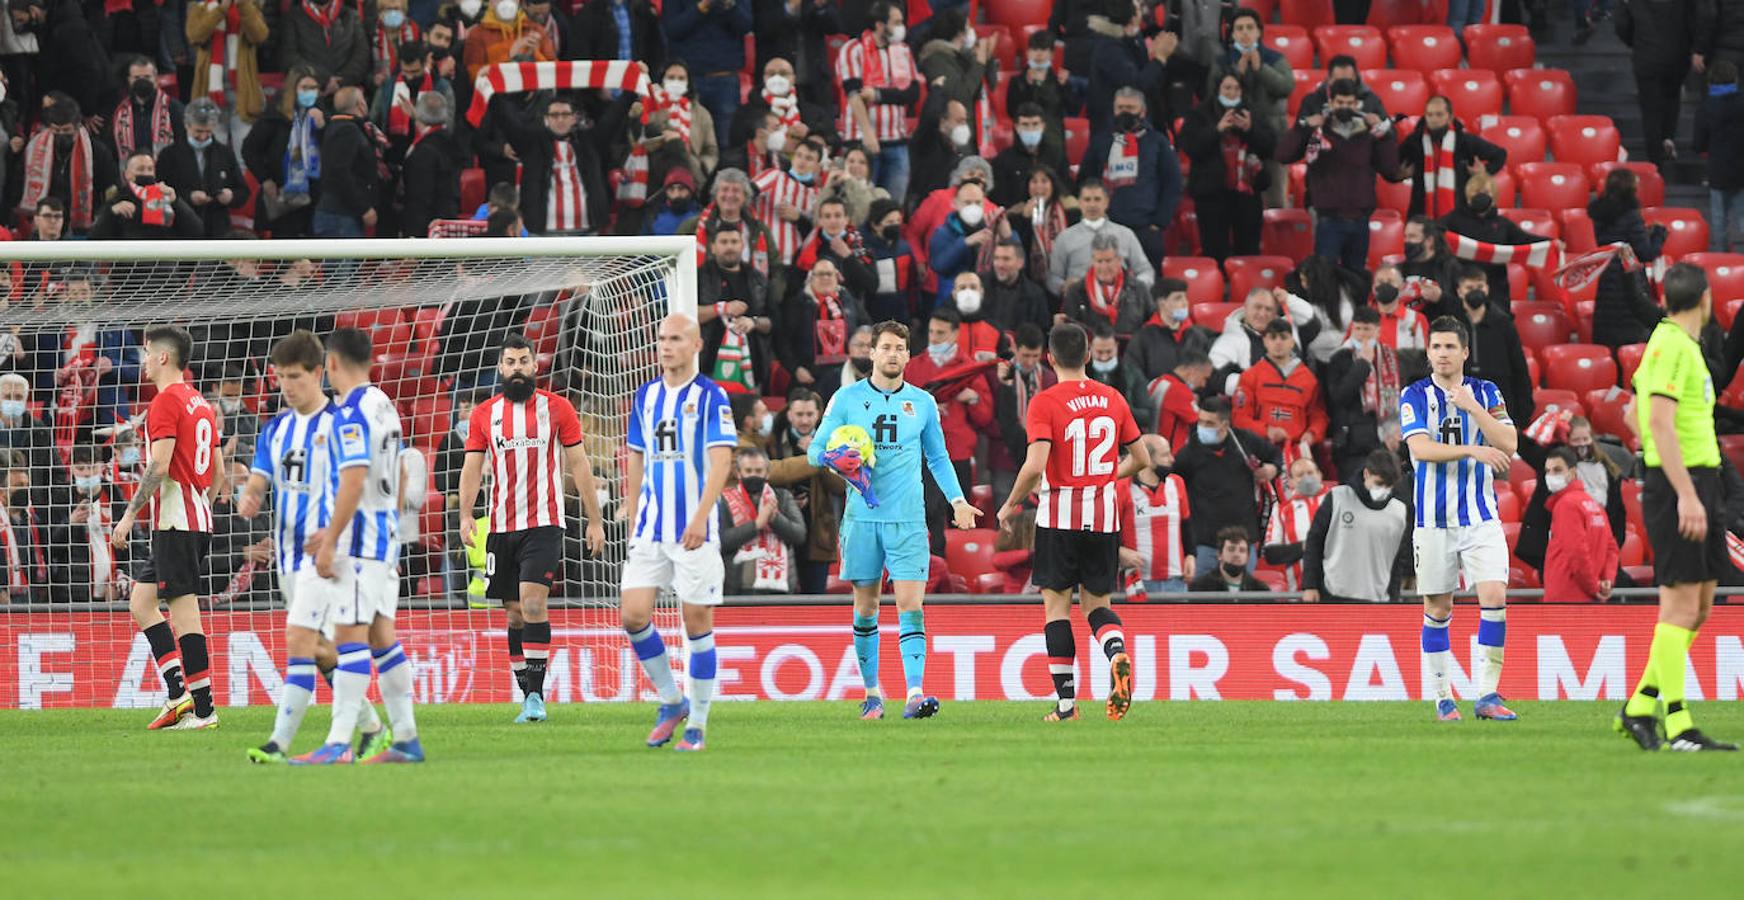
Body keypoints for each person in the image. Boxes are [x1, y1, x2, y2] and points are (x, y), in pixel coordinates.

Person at [809, 320, 981, 721]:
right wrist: (840, 460)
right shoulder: (846, 399)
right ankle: (872, 695)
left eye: (899, 348)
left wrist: (958, 501)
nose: (892, 354)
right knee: (866, 606)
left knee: (911, 604)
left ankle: (915, 693)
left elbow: (938, 457)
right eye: (885, 347)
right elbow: (816, 451)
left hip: (907, 521)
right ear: (871, 353)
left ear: (908, 355)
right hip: (862, 519)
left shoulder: (921, 403)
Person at [237, 331, 394, 764]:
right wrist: (248, 496)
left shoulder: (341, 422)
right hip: (287, 555)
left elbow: (354, 481)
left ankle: (283, 743)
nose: (287, 386)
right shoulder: (276, 428)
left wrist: (331, 540)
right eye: (281, 377)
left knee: (302, 639)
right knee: (317, 646)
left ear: (318, 372)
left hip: (328, 556)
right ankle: (371, 728)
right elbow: (259, 477)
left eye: (295, 376)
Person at [272, 328, 419, 765]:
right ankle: (407, 738)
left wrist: (332, 538)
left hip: (359, 543)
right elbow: (403, 474)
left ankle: (338, 743)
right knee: (380, 638)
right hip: (383, 536)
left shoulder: (350, 411)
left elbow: (354, 478)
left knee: (350, 639)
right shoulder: (384, 404)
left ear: (330, 364)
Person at [997, 321, 1148, 721]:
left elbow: (1034, 467)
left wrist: (1010, 504)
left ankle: (1066, 706)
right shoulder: (1112, 398)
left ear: (1049, 359)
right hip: (1103, 518)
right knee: (1097, 605)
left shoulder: (1044, 402)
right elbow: (1142, 459)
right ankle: (1116, 654)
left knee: (1056, 609)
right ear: (1086, 356)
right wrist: (1104, 476)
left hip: (1060, 515)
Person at [1617, 263, 1738, 751]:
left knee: (1701, 606)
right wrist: (1683, 491)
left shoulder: (1678, 346)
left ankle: (1640, 707)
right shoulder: (1670, 345)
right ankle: (1679, 722)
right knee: (1680, 606)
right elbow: (1660, 424)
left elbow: (1633, 413)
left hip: (1698, 479)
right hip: (1681, 484)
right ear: (1705, 300)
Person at [458, 333, 607, 724]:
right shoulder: (483, 415)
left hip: (544, 523)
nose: (518, 368)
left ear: (535, 366)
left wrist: (595, 519)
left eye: (524, 361)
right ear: (501, 368)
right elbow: (472, 468)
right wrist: (464, 515)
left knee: (533, 603)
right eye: (511, 362)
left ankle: (536, 697)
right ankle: (528, 697)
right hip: (501, 526)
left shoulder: (558, 409)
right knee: (513, 614)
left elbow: (579, 465)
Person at [615, 313, 733, 752]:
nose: (666, 346)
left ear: (696, 345)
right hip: (650, 527)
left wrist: (701, 517)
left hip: (694, 529)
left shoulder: (710, 397)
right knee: (632, 615)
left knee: (697, 622)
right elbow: (635, 458)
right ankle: (672, 700)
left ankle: (698, 725)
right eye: (662, 338)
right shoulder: (645, 397)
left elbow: (721, 462)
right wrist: (631, 518)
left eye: (676, 339)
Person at [1400, 316, 1518, 723]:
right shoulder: (1414, 394)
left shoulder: (1486, 392)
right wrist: (1473, 449)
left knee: (1495, 598)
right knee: (1437, 606)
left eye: (1451, 347)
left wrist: (1472, 409)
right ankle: (1442, 699)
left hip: (1480, 516)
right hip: (1433, 520)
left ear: (1465, 352)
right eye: (1437, 347)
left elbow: (1509, 443)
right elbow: (1420, 449)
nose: (1443, 354)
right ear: (1428, 352)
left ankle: (1487, 693)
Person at [111, 326, 223, 731]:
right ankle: (178, 696)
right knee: (141, 604)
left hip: (176, 523)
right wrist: (202, 510)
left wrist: (126, 517)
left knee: (185, 613)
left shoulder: (165, 401)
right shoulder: (200, 403)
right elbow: (220, 471)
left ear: (162, 357)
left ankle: (205, 711)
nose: (142, 360)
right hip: (189, 520)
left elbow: (159, 466)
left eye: (145, 353)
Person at [1277, 78, 1400, 272]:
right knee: (1325, 279)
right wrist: (1303, 127)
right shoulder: (1317, 131)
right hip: (1328, 220)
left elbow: (1390, 168)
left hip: (1360, 219)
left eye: (1350, 103)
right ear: (1331, 103)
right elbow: (1283, 155)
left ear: (1357, 103)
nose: (1345, 107)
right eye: (1340, 103)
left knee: (1356, 277)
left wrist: (1384, 134)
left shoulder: (1369, 133)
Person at [1171, 395, 1282, 576]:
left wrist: (1272, 468)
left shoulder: (1245, 440)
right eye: (1200, 421)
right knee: (1201, 599)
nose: (1202, 428)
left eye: (1209, 423)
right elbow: (1173, 482)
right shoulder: (1190, 452)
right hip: (1204, 542)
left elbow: (1275, 455)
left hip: (1241, 541)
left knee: (1242, 599)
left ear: (1224, 425)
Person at [499, 91, 633, 235]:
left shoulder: (590, 141)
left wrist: (631, 89)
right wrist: (490, 91)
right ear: (546, 119)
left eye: (565, 114)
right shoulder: (532, 144)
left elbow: (614, 117)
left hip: (587, 233)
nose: (560, 119)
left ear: (574, 118)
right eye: (555, 115)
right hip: (543, 235)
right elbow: (507, 120)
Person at [1078, 87, 1183, 269]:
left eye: (1130, 107)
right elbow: (1086, 179)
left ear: (1143, 112)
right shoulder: (1101, 140)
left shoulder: (1158, 142)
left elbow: (1173, 183)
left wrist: (1158, 223)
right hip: (1107, 227)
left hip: (1146, 228)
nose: (1124, 112)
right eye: (1120, 108)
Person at [1177, 73, 1273, 262]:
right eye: (1227, 88)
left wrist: (1250, 130)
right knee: (1214, 249)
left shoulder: (1253, 112)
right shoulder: (1199, 114)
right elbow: (1191, 148)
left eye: (1236, 88)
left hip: (1247, 193)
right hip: (1211, 194)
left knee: (1248, 249)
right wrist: (1217, 129)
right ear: (1217, 90)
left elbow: (1271, 147)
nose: (1231, 93)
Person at [1204, 7, 1292, 208]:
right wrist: (1236, 74)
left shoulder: (1275, 59)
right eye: (1240, 28)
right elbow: (1211, 95)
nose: (1245, 32)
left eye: (1250, 27)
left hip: (1271, 140)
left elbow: (1285, 87)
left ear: (1259, 32)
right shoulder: (1222, 62)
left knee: (1275, 201)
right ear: (1232, 33)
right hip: (1234, 139)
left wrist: (1260, 69)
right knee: (1238, 203)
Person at [1301, 449, 1413, 603]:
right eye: (1379, 483)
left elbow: (1398, 559)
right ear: (1366, 474)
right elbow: (1314, 542)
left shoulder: (1399, 511)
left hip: (1377, 598)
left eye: (1389, 485)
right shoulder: (1338, 498)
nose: (1384, 490)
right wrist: (1310, 585)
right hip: (1334, 593)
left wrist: (1393, 597)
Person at [835, 2, 920, 203]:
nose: (902, 27)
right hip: (860, 140)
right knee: (860, 206)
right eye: (897, 22)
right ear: (880, 25)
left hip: (896, 140)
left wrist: (878, 95)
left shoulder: (903, 51)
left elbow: (913, 93)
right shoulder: (852, 49)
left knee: (892, 207)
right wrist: (868, 133)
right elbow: (853, 93)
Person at [764, 387, 840, 594]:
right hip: (780, 526)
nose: (805, 421)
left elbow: (841, 486)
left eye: (809, 414)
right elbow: (764, 476)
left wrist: (819, 456)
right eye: (799, 415)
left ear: (819, 415)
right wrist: (787, 501)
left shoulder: (835, 440)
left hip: (818, 531)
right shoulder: (772, 439)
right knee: (779, 598)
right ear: (789, 414)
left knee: (815, 598)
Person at [1615, 0, 1704, 167]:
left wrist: (1634, 41)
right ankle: (1667, 138)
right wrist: (1693, 46)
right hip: (1677, 54)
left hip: (1646, 55)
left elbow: (1621, 23)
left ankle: (1654, 158)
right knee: (1672, 95)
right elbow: (1695, 19)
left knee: (1650, 110)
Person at [240, 67, 325, 238]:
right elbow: (249, 149)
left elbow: (331, 152)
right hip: (282, 195)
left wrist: (323, 127)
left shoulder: (322, 115)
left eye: (314, 88)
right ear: (293, 88)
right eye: (305, 88)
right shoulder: (274, 117)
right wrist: (265, 179)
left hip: (314, 196)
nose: (310, 93)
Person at [1589, 169, 1669, 349]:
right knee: (1631, 335)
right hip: (1628, 276)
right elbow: (1645, 253)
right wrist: (1658, 235)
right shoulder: (1632, 216)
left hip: (1608, 275)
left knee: (1610, 339)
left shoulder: (1600, 215)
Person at [1233, 320, 1329, 466]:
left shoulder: (1308, 379)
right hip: (1260, 449)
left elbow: (1318, 415)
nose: (1278, 342)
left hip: (1297, 453)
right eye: (1272, 337)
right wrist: (1267, 431)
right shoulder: (1250, 376)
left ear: (1292, 341)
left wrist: (1312, 434)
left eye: (1283, 337)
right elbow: (1239, 419)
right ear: (1265, 341)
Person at [1396, 95, 1507, 219]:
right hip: (1421, 212)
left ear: (1449, 117)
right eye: (1430, 115)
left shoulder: (1465, 141)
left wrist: (1484, 171)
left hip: (1459, 212)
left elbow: (1500, 154)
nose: (1434, 119)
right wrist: (1398, 175)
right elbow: (1393, 165)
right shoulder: (1414, 141)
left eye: (1439, 115)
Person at [1327, 307, 1404, 484]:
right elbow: (1339, 397)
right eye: (1358, 329)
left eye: (1367, 329)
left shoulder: (1390, 357)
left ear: (1378, 330)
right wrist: (1362, 364)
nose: (1361, 334)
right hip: (1353, 444)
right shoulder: (1339, 357)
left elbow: (1402, 393)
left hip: (1386, 439)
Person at [1453, 264, 1537, 427]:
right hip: (1460, 407)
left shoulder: (1504, 323)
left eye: (1480, 286)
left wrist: (1522, 415)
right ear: (1459, 291)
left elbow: (1519, 369)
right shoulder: (1452, 325)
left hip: (1499, 405)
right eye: (1469, 287)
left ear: (1487, 289)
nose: (1475, 291)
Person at [154, 98, 251, 238]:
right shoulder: (169, 155)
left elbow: (243, 192)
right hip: (181, 229)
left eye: (208, 132)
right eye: (198, 131)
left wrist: (230, 196)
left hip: (218, 229)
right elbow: (159, 191)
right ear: (187, 125)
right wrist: (188, 197)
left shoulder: (224, 153)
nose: (203, 136)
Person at [698, 223, 775, 394]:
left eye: (734, 241)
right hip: (708, 369)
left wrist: (753, 322)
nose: (729, 247)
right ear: (713, 247)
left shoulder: (758, 279)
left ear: (743, 245)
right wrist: (720, 309)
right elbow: (687, 315)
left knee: (748, 420)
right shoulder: (699, 277)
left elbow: (773, 321)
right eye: (723, 242)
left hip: (750, 371)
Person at [777, 259, 865, 406]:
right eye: (820, 274)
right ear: (811, 278)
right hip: (809, 378)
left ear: (837, 277)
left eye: (829, 274)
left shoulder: (849, 300)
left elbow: (865, 328)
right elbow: (782, 341)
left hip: (846, 376)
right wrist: (796, 369)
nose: (825, 278)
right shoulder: (796, 304)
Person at [718, 446, 805, 594]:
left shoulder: (782, 497)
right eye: (748, 471)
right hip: (738, 586)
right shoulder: (725, 500)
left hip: (779, 587)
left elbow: (799, 535)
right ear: (738, 473)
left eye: (758, 471)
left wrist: (775, 518)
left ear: (767, 473)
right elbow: (722, 541)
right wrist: (757, 524)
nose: (753, 475)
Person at [1540, 446, 1622, 603]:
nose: (1550, 475)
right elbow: (1611, 548)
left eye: (1557, 470)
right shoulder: (1594, 505)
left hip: (1565, 595)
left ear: (1572, 473)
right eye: (1547, 471)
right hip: (1588, 596)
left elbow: (1576, 552)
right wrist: (1607, 581)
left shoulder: (1566, 505)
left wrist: (1593, 587)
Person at [1046, 179, 1155, 295]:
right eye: (1087, 200)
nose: (1092, 205)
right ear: (1080, 203)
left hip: (1121, 300)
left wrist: (1134, 289)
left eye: (1097, 199)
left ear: (1106, 202)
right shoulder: (1065, 237)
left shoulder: (1126, 234)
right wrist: (1063, 286)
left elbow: (1146, 271)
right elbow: (1053, 277)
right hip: (1080, 300)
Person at [1118, 434, 1194, 594]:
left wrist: (1191, 555)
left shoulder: (1177, 483)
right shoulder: (1122, 488)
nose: (1172, 459)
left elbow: (1186, 524)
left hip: (1177, 580)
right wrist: (1118, 551)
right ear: (1148, 459)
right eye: (1165, 455)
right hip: (1138, 581)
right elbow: (1107, 532)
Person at [1209, 287, 1318, 396]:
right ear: (1246, 308)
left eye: (1268, 309)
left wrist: (1289, 299)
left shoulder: (1289, 327)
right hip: (1254, 404)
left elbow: (1313, 324)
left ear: (1275, 312)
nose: (1262, 314)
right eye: (1257, 307)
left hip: (1298, 400)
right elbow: (1214, 376)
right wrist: (1262, 383)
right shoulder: (1230, 339)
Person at [187, 0, 270, 142]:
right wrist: (221, 10)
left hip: (242, 92)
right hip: (209, 93)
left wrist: (243, 6)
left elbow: (260, 35)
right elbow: (195, 36)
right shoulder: (199, 7)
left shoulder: (250, 6)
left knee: (244, 152)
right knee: (213, 154)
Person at [90, 150, 207, 240]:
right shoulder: (118, 200)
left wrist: (176, 202)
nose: (146, 173)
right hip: (129, 267)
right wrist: (112, 213)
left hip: (164, 266)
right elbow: (94, 237)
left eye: (150, 169)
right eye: (140, 169)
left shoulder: (166, 195)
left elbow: (197, 230)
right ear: (126, 174)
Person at [312, 87, 379, 238]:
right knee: (341, 262)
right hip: (340, 216)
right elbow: (339, 171)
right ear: (361, 104)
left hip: (339, 214)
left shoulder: (336, 127)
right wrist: (363, 208)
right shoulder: (348, 130)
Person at [749, 135, 825, 266]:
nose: (802, 161)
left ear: (817, 166)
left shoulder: (818, 195)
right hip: (763, 256)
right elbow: (747, 191)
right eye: (799, 155)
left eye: (809, 158)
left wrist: (799, 218)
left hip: (794, 263)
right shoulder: (775, 175)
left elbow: (817, 234)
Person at [398, 91, 462, 238]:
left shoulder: (424, 152)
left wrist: (413, 236)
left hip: (427, 230)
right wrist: (417, 116)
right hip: (446, 221)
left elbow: (420, 199)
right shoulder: (450, 142)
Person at [1060, 232, 1151, 335]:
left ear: (1119, 260)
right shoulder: (1076, 291)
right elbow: (1070, 332)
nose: (1104, 267)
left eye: (1108, 261)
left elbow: (1152, 325)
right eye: (1099, 261)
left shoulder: (1139, 289)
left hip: (1131, 349)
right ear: (1092, 261)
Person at [1696, 61, 1744, 252]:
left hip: (1718, 169)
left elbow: (1698, 143)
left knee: (1718, 217)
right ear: (1735, 79)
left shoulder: (1706, 107)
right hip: (1742, 169)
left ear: (1710, 82)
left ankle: (1722, 256)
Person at [282, 0, 372, 91]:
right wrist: (325, 79)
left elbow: (362, 54)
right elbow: (290, 56)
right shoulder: (293, 17)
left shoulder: (351, 15)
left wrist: (341, 80)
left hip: (347, 91)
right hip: (310, 90)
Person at [992, 105, 1069, 210]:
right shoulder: (1003, 160)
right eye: (1025, 125)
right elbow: (1000, 199)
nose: (1031, 129)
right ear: (1017, 127)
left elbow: (1066, 188)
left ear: (1043, 126)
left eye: (1035, 124)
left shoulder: (1056, 154)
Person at [110, 56, 187, 160]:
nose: (142, 81)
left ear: (156, 79)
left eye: (147, 77)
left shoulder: (174, 109)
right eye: (137, 78)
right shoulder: (119, 111)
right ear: (129, 80)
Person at [463, 0, 557, 81]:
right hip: (497, 97)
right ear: (491, 1)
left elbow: (555, 71)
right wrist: (509, 57)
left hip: (533, 95)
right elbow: (474, 77)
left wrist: (535, 54)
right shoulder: (477, 34)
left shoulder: (536, 30)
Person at [980, 239, 1052, 336]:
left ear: (1020, 263)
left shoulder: (1035, 295)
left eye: (1006, 259)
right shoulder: (979, 287)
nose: (1000, 264)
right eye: (996, 258)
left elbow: (1041, 333)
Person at [1296, 55, 1388, 122]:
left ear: (1356, 78)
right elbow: (1297, 134)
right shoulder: (1312, 101)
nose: (1344, 85)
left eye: (1348, 80)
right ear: (1329, 79)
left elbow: (1391, 133)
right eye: (1339, 81)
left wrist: (1380, 126)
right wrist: (1308, 126)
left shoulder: (1371, 100)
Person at [1370, 264, 1430, 352]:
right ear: (1373, 287)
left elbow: (1425, 358)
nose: (1385, 285)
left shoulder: (1417, 319)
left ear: (1402, 286)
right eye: (1380, 281)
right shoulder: (1362, 319)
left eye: (1390, 281)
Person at [1189, 526, 1268, 593]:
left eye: (1242, 550)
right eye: (1231, 549)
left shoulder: (1260, 590)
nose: (1236, 554)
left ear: (1248, 557)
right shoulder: (1199, 588)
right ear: (1219, 555)